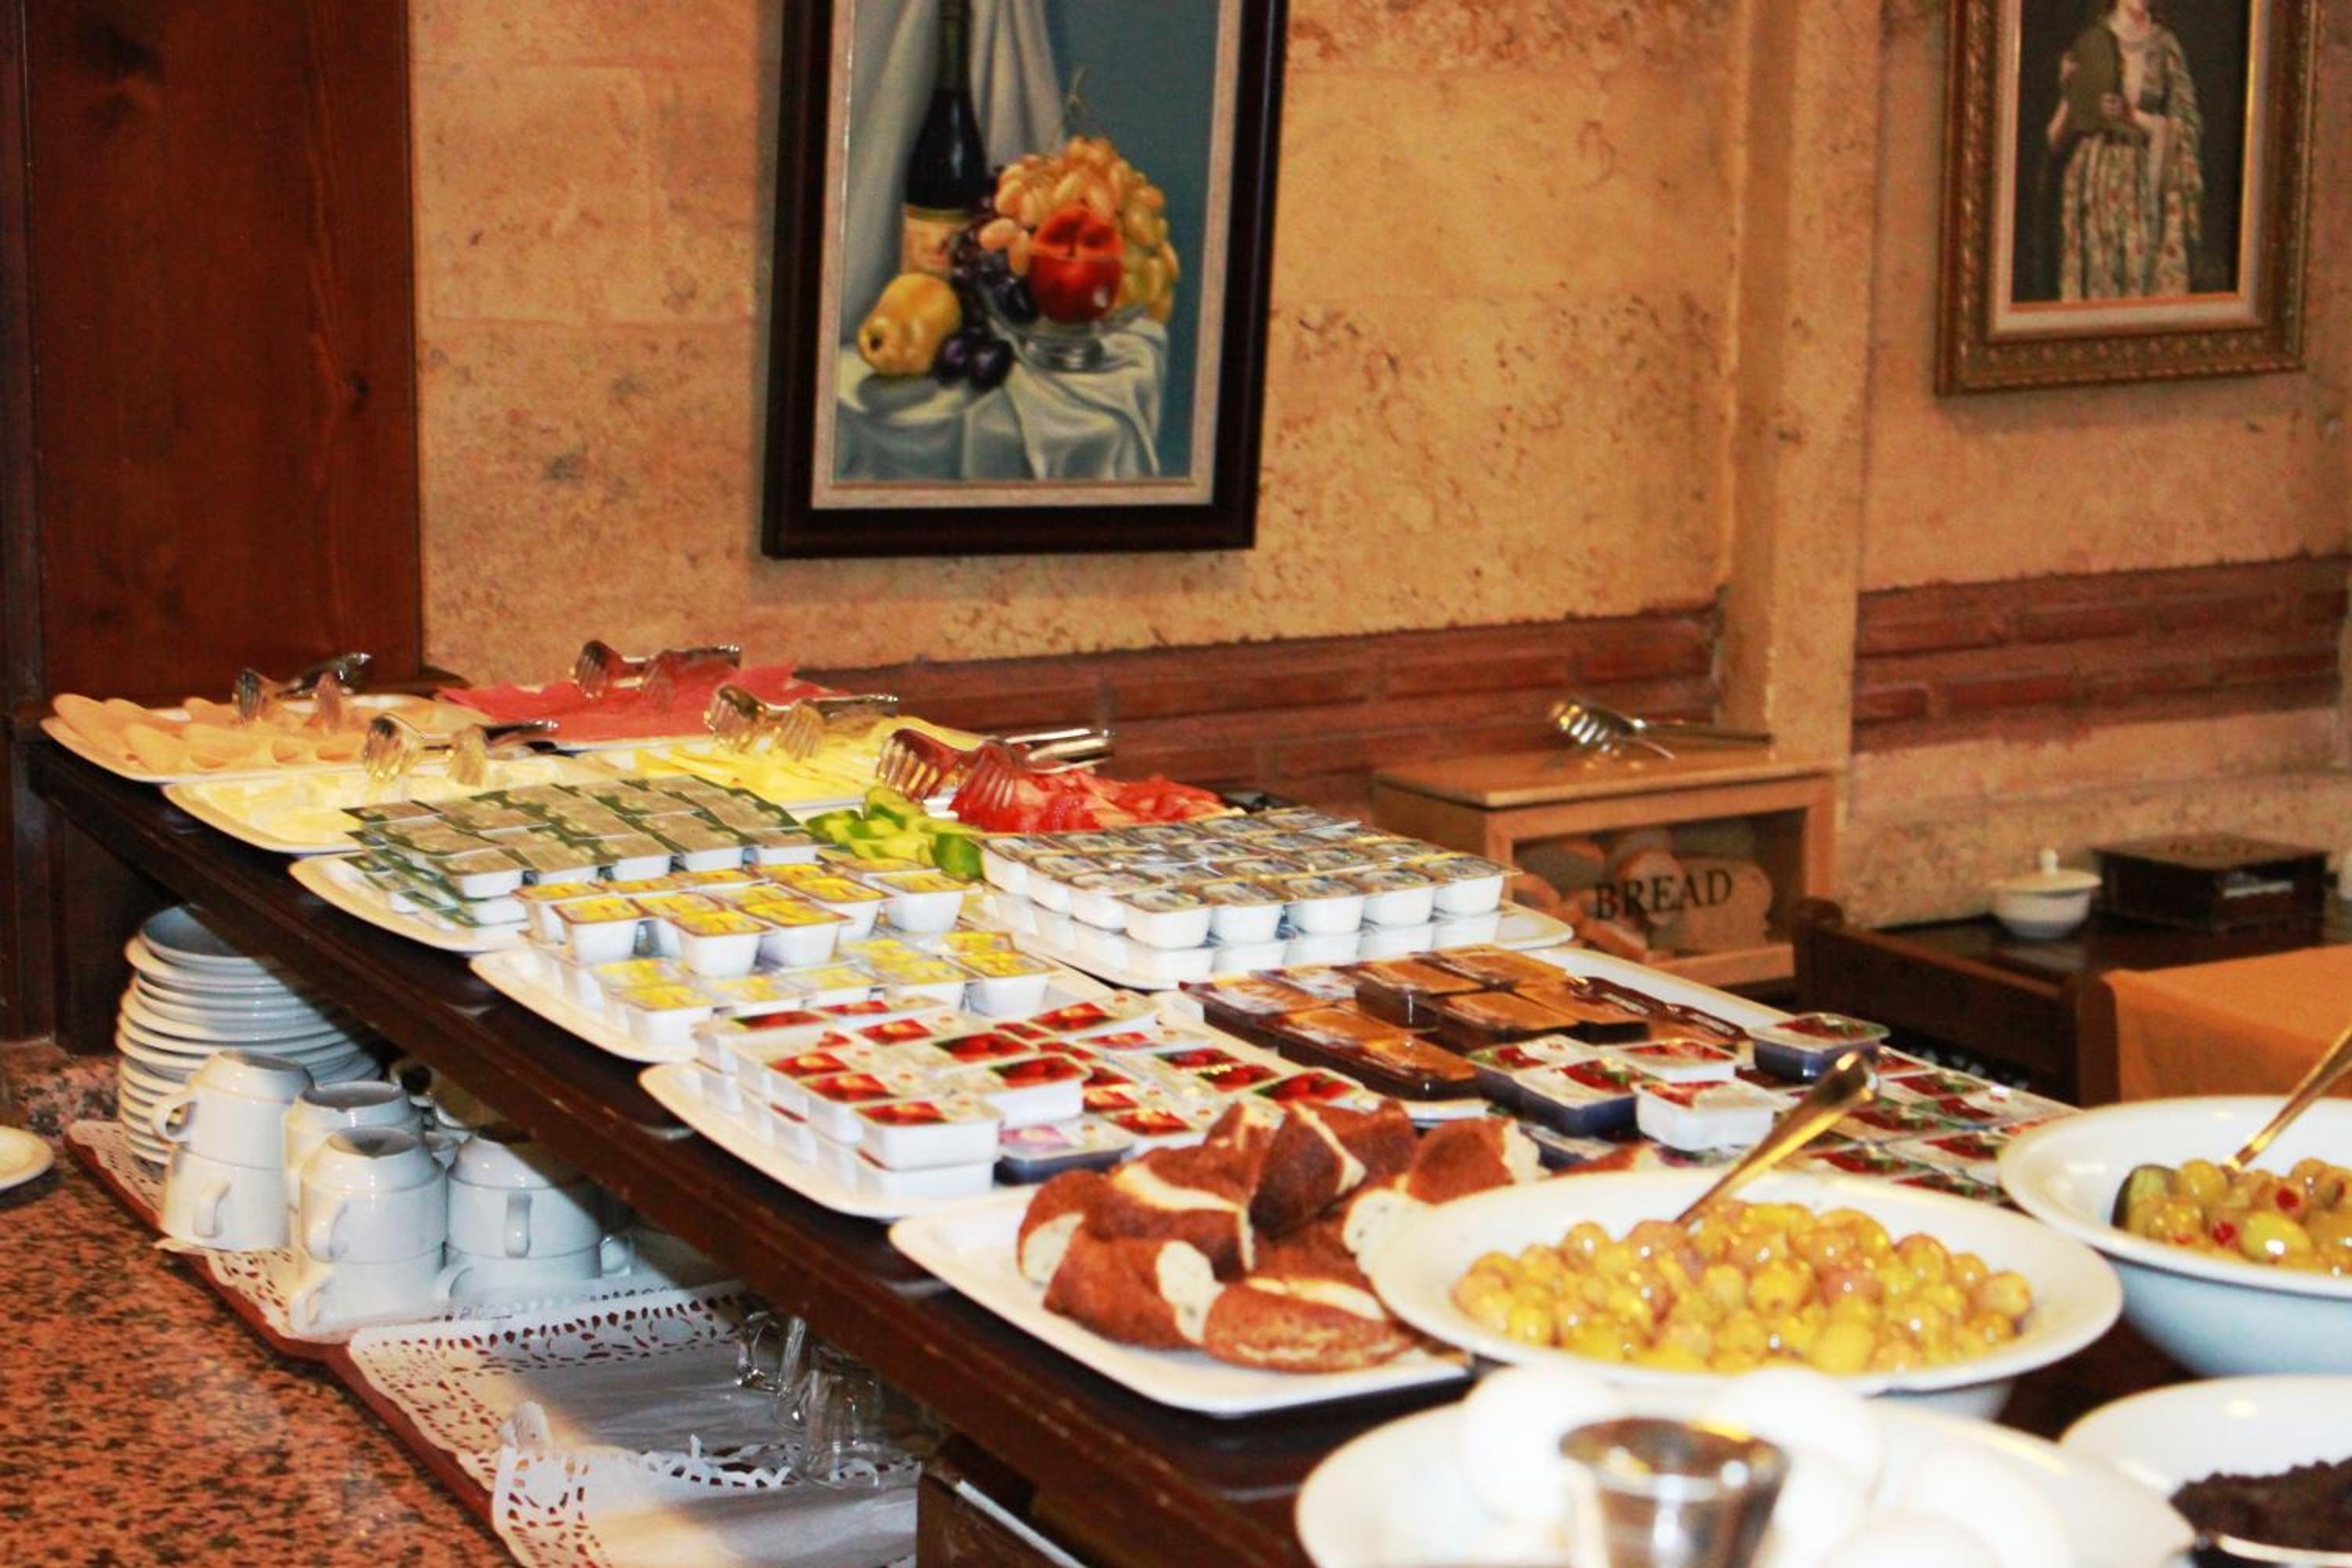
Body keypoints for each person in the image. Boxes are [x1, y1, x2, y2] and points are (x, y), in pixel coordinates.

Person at [2042, 0, 2205, 300]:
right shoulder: (2092, 42)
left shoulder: (2164, 45)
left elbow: (2186, 128)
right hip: (2092, 189)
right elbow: (2055, 139)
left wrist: (2132, 116)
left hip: (2146, 187)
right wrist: (2070, 91)